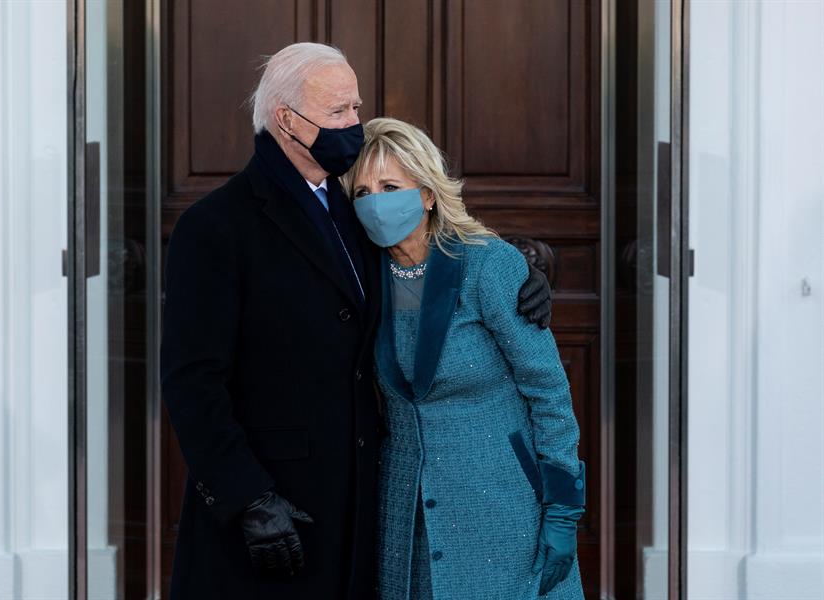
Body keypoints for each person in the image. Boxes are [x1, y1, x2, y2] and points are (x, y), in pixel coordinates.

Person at [160, 44, 553, 599]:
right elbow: (191, 381)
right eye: (338, 111)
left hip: (365, 503)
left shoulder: (353, 205)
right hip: (274, 512)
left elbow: (424, 253)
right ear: (287, 121)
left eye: (356, 107)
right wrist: (246, 497)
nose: (354, 124)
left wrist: (521, 271)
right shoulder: (216, 226)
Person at [340, 117, 586, 600]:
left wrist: (563, 508)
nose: (375, 203)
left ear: (428, 194)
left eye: (390, 187)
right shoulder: (361, 278)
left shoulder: (486, 265)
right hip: (405, 513)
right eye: (362, 192)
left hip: (500, 507)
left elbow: (549, 391)